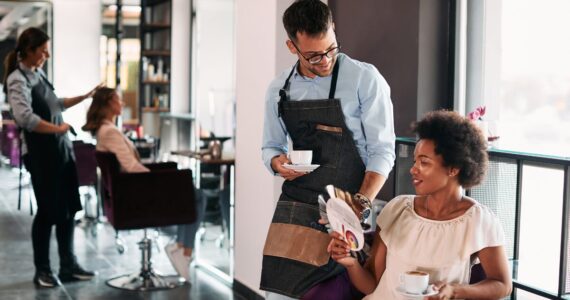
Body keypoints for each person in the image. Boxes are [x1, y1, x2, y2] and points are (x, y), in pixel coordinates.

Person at [260, 0, 396, 298]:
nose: (325, 60)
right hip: (295, 206)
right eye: (313, 55)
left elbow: (383, 152)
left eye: (330, 49)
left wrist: (358, 203)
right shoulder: (279, 89)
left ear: (333, 30)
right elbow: (270, 147)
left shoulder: (364, 79)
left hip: (347, 208)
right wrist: (276, 163)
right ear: (291, 46)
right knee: (278, 293)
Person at [328, 110, 513, 299]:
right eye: (414, 160)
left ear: (453, 169)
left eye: (424, 162)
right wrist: (350, 263)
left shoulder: (478, 220)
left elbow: (502, 285)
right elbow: (371, 285)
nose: (413, 169)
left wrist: (455, 291)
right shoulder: (397, 209)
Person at [3, 27, 98, 288]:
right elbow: (26, 119)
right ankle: (42, 271)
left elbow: (55, 103)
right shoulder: (17, 79)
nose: (47, 54)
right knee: (47, 212)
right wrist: (59, 128)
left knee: (68, 209)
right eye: (43, 50)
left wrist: (85, 97)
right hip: (41, 155)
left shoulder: (38, 73)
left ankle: (68, 266)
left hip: (60, 150)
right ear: (29, 50)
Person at [82, 87, 205, 281]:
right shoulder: (109, 132)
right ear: (109, 104)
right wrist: (161, 182)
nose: (122, 103)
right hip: (135, 195)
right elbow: (131, 166)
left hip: (131, 191)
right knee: (197, 195)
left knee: (193, 194)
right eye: (119, 100)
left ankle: (180, 247)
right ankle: (183, 249)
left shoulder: (105, 130)